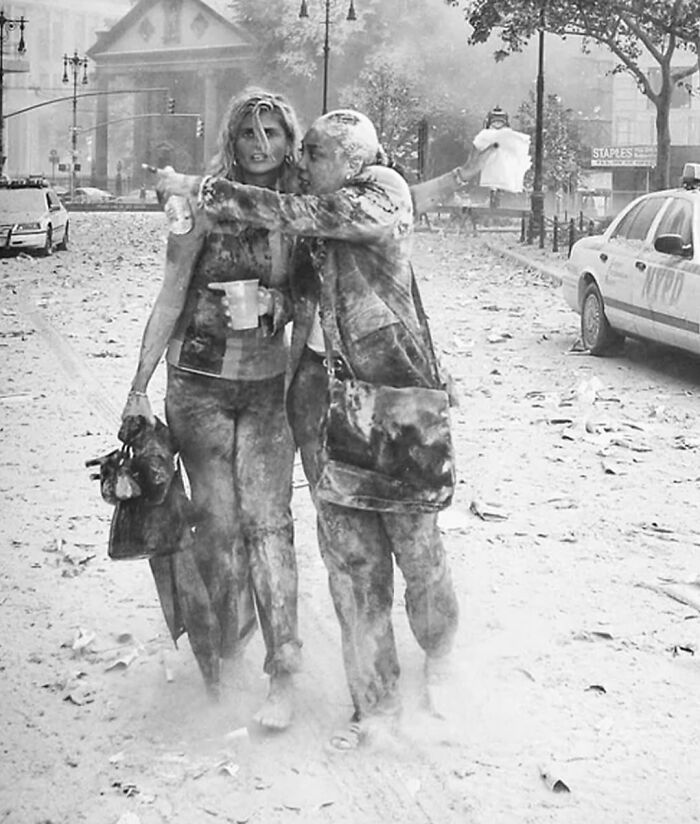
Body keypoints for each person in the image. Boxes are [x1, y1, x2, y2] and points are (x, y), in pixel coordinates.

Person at [155, 109, 493, 749]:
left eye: (310, 152)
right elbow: (304, 269)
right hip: (322, 400)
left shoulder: (378, 193)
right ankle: (376, 706)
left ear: (350, 161)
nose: (298, 162)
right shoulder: (319, 208)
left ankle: (440, 650)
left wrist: (201, 188)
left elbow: (308, 216)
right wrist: (273, 304)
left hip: (394, 403)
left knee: (417, 552)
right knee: (352, 563)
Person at [120, 89, 303, 730]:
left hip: (265, 389)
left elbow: (318, 295)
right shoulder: (200, 204)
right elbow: (170, 294)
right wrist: (139, 385)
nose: (260, 144)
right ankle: (219, 652)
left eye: (273, 132)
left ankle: (285, 671)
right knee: (218, 523)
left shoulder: (297, 209)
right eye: (249, 131)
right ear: (232, 136)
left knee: (270, 524)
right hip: (196, 386)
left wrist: (279, 308)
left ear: (289, 139)